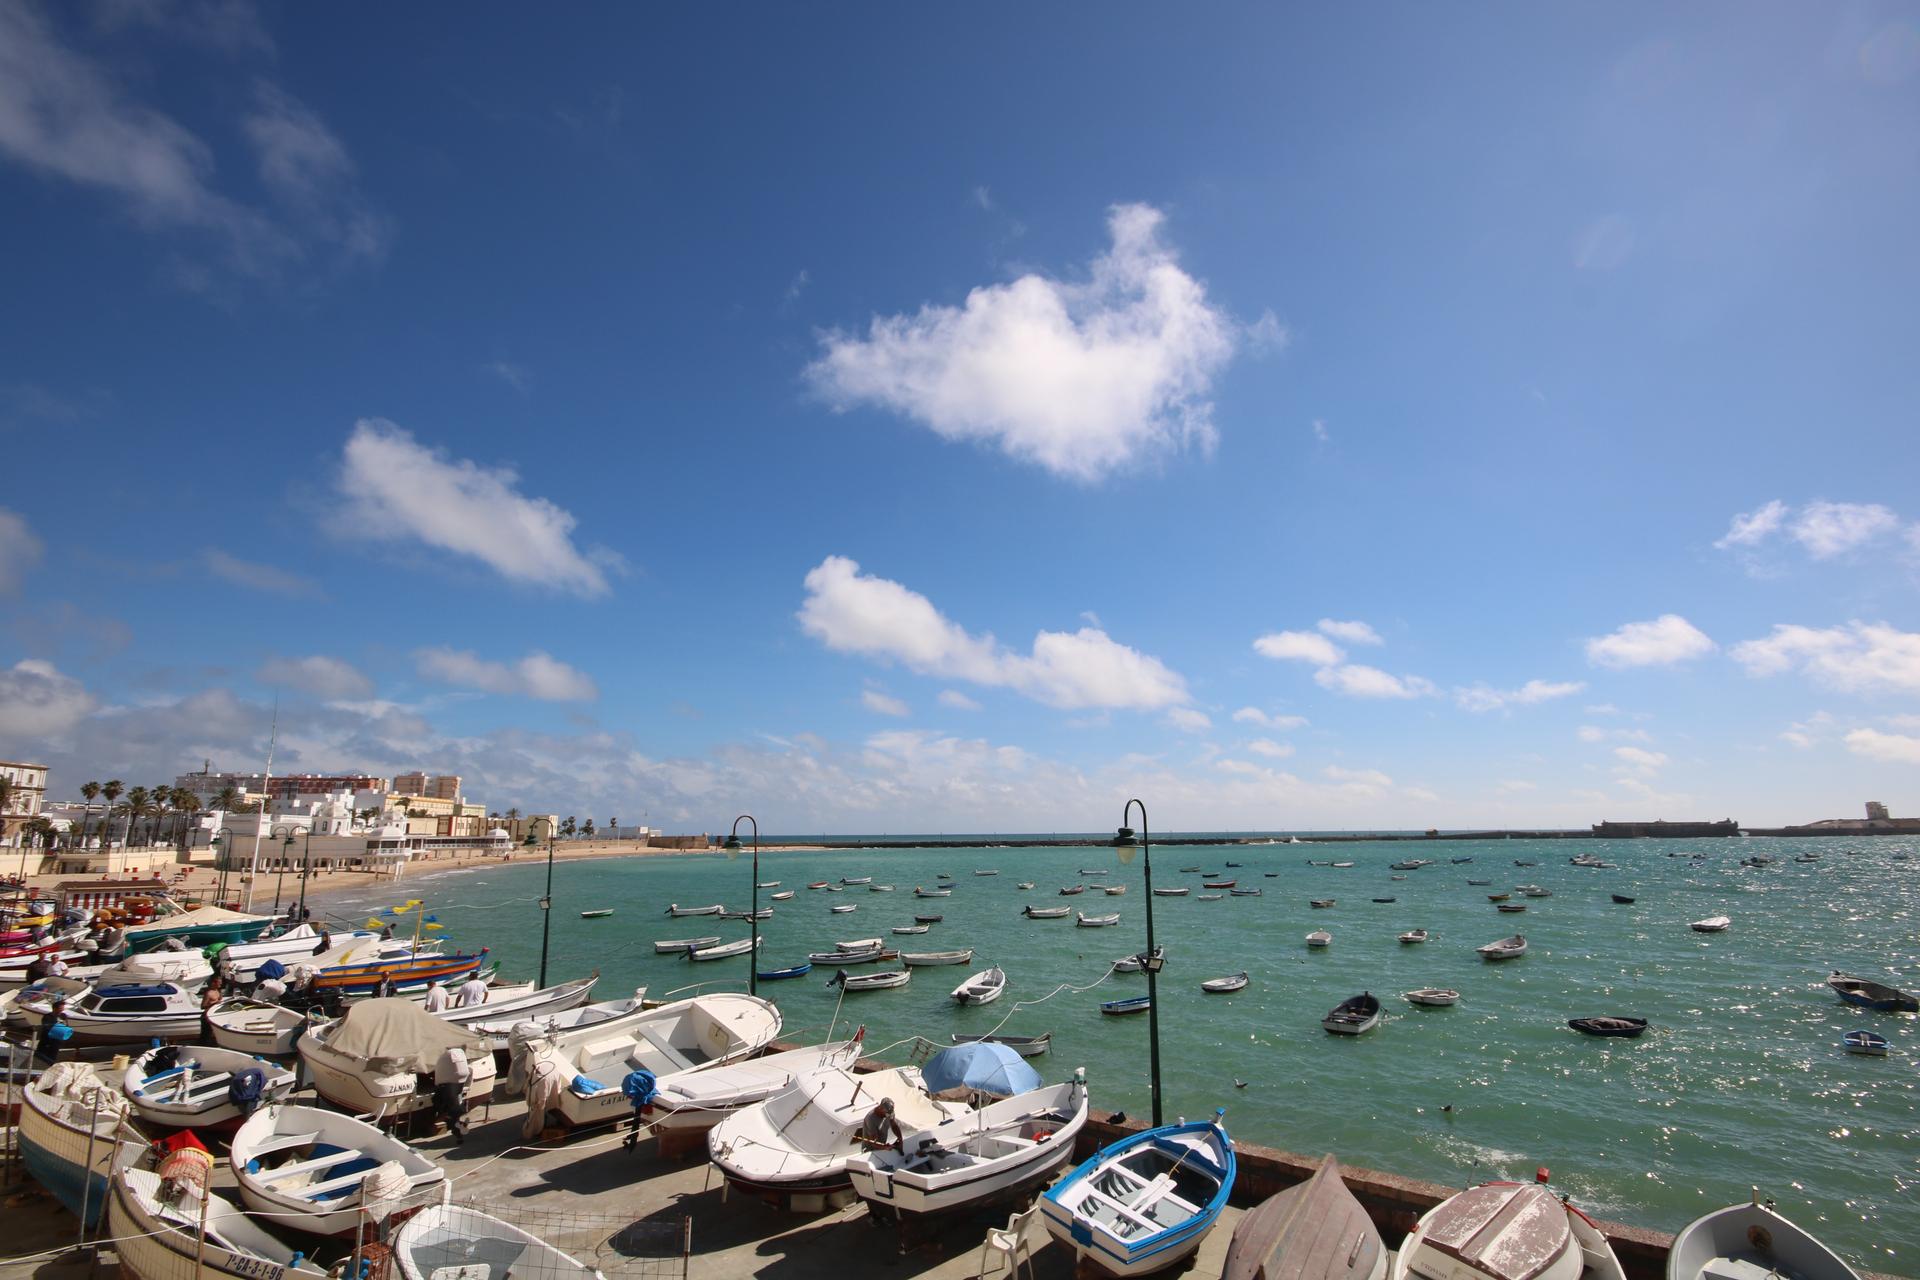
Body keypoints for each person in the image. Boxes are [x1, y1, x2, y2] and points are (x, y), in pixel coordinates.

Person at [432, 1045, 471, 1143]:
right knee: (454, 1107)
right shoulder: (458, 1053)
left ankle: (458, 1131)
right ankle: (458, 1128)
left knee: (450, 1110)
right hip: (458, 1082)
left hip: (449, 1084)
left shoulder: (446, 1056)